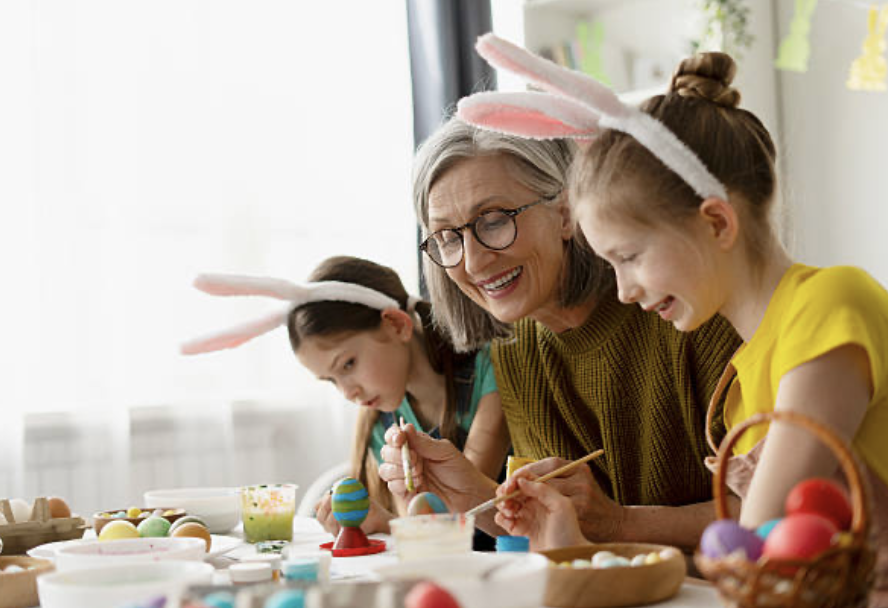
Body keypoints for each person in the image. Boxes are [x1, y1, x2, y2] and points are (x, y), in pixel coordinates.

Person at [462, 37, 888, 599]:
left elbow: (751, 559)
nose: (624, 290)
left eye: (630, 256)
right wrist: (582, 545)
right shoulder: (743, 372)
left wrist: (601, 548)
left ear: (716, 222)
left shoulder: (828, 305)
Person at [379, 92, 743, 549]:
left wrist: (621, 523)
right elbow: (557, 524)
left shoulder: (684, 308)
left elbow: (773, 510)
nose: (472, 263)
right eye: (448, 237)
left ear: (566, 212)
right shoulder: (516, 347)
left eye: (493, 220)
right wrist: (468, 495)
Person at [181, 256, 509, 535]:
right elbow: (425, 532)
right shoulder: (383, 422)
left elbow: (468, 508)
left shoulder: (489, 368)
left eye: (348, 364)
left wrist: (397, 525)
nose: (347, 392)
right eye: (330, 381)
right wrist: (386, 524)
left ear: (396, 324)